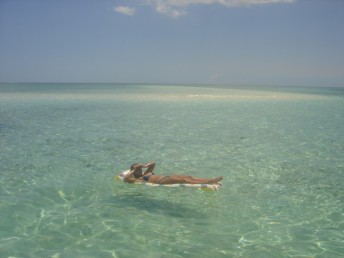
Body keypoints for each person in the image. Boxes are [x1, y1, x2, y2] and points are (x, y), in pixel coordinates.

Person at [123, 162, 223, 185]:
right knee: (184, 180)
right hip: (160, 181)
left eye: (139, 169)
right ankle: (209, 182)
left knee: (189, 177)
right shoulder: (136, 179)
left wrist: (144, 166)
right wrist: (132, 170)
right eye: (137, 170)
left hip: (166, 177)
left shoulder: (145, 172)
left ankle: (210, 180)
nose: (139, 171)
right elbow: (126, 179)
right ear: (133, 171)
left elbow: (153, 164)